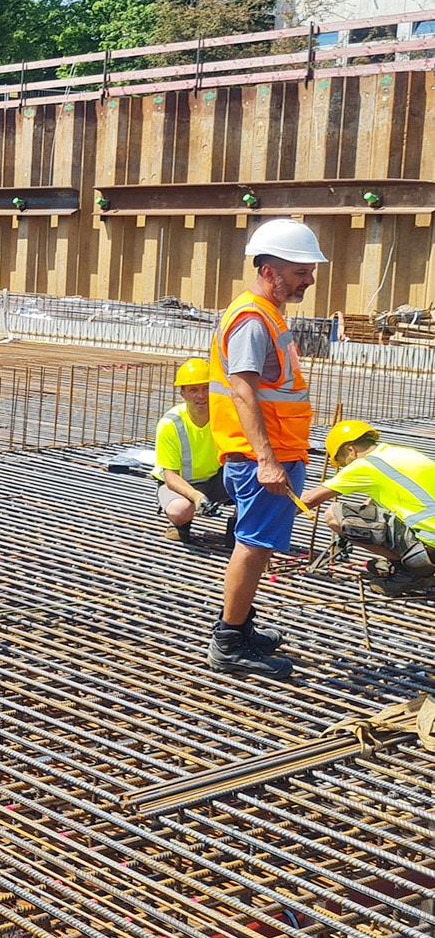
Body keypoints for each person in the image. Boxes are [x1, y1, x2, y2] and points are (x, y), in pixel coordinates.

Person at [207, 218, 328, 679]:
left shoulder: (267, 315)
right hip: (262, 457)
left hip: (278, 452)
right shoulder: (253, 319)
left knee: (258, 546)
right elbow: (243, 393)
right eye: (301, 271)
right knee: (254, 546)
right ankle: (230, 641)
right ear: (269, 270)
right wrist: (268, 459)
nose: (309, 280)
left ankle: (239, 625)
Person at [302, 421, 435, 595]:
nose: (344, 468)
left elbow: (308, 500)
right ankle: (417, 562)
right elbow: (381, 496)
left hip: (429, 540)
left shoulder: (364, 465)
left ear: (350, 449)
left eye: (342, 462)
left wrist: (263, 519)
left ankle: (409, 571)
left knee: (334, 514)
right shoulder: (401, 453)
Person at [153, 358, 234, 545]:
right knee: (180, 510)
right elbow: (170, 476)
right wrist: (196, 496)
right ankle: (181, 524)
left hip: (214, 479)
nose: (201, 395)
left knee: (252, 481)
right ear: (182, 394)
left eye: (206, 388)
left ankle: (237, 527)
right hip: (180, 484)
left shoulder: (225, 417)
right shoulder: (171, 424)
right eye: (193, 390)